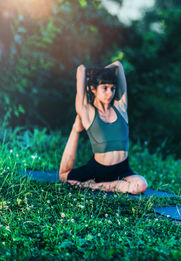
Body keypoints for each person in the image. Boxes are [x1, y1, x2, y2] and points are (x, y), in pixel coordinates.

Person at [59, 61, 147, 194]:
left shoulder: (121, 108)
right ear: (93, 89)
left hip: (122, 169)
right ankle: (110, 185)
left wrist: (102, 73)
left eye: (112, 88)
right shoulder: (87, 111)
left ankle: (94, 186)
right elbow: (81, 69)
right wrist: (96, 74)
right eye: (104, 88)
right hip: (98, 169)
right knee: (64, 176)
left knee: (141, 185)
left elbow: (118, 65)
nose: (109, 93)